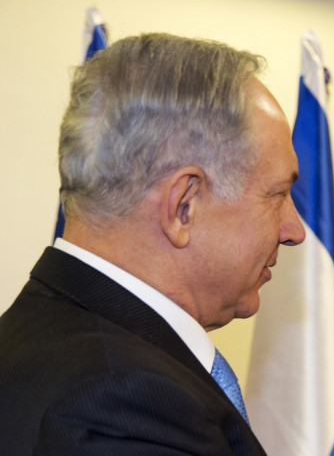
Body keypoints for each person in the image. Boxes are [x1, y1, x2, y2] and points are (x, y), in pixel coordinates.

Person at [0, 33, 305, 454]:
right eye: (276, 195)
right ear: (184, 206)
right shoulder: (128, 402)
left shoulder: (28, 340)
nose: (294, 230)